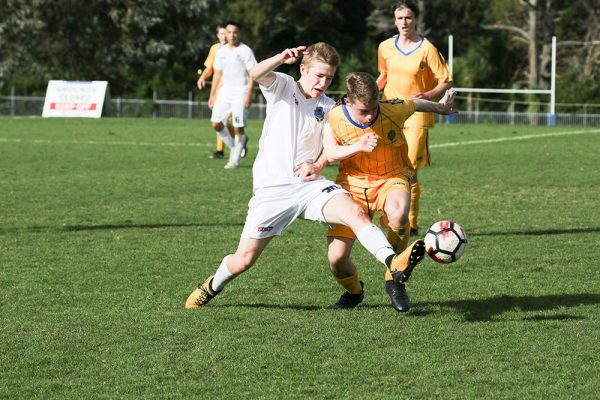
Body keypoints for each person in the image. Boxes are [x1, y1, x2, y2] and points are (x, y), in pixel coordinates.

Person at [185, 43, 425, 309]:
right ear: (302, 69)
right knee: (244, 259)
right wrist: (279, 57)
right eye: (318, 75)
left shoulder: (329, 108)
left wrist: (324, 160)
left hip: (310, 187)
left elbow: (331, 150)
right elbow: (254, 74)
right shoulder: (284, 86)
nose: (323, 82)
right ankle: (211, 286)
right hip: (272, 190)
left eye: (329, 77)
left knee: (354, 213)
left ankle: (392, 263)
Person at [323, 72, 456, 312]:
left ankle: (394, 277)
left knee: (399, 213)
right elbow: (330, 153)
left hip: (391, 176)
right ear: (348, 101)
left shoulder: (391, 109)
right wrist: (356, 147)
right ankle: (354, 292)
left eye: (374, 108)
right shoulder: (334, 116)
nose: (370, 115)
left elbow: (415, 103)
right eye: (363, 111)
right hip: (351, 183)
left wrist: (441, 108)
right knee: (336, 259)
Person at [376, 0, 453, 236]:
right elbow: (383, 75)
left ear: (416, 19)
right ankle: (390, 215)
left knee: (408, 169)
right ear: (394, 21)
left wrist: (428, 95)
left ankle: (410, 222)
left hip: (417, 113)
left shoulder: (426, 48)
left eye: (408, 17)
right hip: (389, 112)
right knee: (387, 165)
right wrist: (367, 93)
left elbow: (446, 79)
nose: (404, 22)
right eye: (400, 18)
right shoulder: (385, 47)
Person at [209, 21, 256, 169]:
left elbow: (253, 74)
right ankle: (235, 147)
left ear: (239, 33)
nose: (232, 35)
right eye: (229, 32)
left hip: (241, 93)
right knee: (216, 123)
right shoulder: (221, 51)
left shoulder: (245, 51)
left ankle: (234, 160)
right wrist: (212, 95)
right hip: (224, 93)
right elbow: (217, 74)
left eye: (235, 32)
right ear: (225, 33)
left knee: (238, 127)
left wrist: (248, 94)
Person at [196, 24, 235, 160]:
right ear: (218, 35)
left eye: (226, 33)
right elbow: (210, 68)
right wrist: (202, 77)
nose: (224, 36)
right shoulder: (215, 49)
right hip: (219, 91)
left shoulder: (236, 49)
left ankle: (237, 143)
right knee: (218, 120)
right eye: (221, 33)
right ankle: (222, 150)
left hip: (233, 90)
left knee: (227, 121)